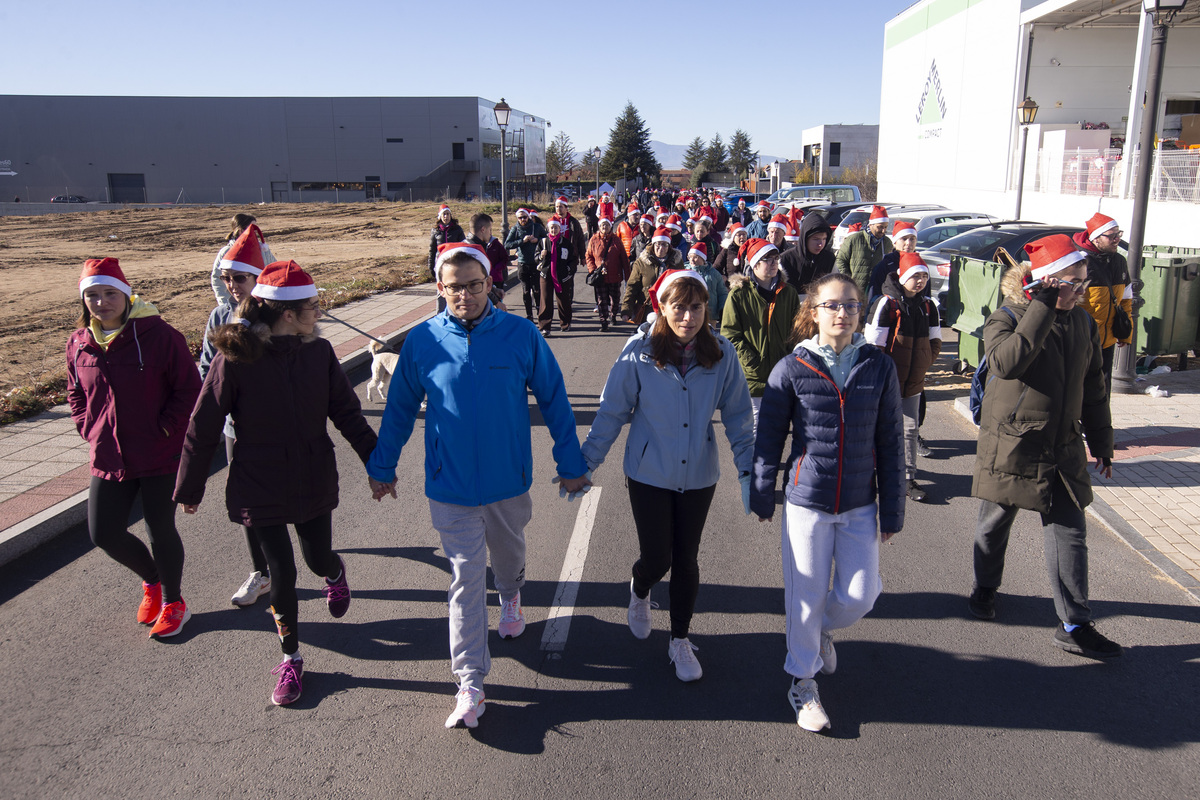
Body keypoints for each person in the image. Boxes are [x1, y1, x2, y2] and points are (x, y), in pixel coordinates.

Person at [366, 242, 591, 729]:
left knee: (507, 557)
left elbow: (554, 400)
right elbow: (400, 409)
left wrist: (570, 461)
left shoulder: (520, 334)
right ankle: (469, 682)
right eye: (453, 287)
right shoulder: (423, 341)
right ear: (440, 289)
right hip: (450, 486)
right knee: (465, 578)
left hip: (508, 480)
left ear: (490, 284)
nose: (464, 295)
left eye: (474, 285)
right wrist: (382, 466)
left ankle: (511, 593)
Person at [176, 260, 377, 705]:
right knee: (280, 571)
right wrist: (190, 487)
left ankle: (334, 572)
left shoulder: (319, 354)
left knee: (316, 556)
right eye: (313, 306)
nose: (319, 313)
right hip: (257, 477)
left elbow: (346, 413)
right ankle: (292, 658)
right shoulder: (236, 360)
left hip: (312, 471)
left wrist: (377, 465)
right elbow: (203, 423)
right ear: (287, 313)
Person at [581, 269, 754, 681]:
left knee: (686, 558)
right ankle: (640, 590)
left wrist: (749, 473)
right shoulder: (639, 351)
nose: (688, 316)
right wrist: (584, 464)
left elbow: (739, 418)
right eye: (679, 306)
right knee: (657, 556)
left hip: (699, 474)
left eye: (696, 307)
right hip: (648, 473)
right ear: (661, 306)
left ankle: (679, 640)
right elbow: (612, 411)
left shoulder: (721, 352)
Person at [752, 271, 905, 732]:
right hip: (807, 502)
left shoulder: (878, 366)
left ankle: (818, 634)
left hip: (860, 502)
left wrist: (893, 510)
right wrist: (762, 493)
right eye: (833, 305)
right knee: (806, 596)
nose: (843, 313)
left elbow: (891, 442)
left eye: (852, 305)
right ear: (813, 312)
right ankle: (802, 682)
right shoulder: (792, 369)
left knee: (862, 594)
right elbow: (770, 439)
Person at [968, 234, 1120, 659]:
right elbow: (1007, 362)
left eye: (1083, 282)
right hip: (1015, 442)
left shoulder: (1083, 322)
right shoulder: (1006, 317)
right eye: (1072, 282)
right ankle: (985, 586)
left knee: (1071, 530)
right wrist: (1042, 308)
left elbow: (1094, 384)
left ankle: (1074, 623)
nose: (1081, 291)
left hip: (1062, 445)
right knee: (994, 524)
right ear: (1047, 282)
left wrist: (1102, 440)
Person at [66, 258, 202, 639]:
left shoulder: (160, 337)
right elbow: (75, 392)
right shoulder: (79, 343)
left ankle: (175, 603)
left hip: (159, 452)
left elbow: (189, 389)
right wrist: (89, 428)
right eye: (92, 295)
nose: (101, 302)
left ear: (127, 295)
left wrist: (166, 426)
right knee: (103, 532)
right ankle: (153, 581)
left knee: (160, 528)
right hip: (108, 454)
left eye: (110, 293)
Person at [201, 226, 273, 607]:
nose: (232, 285)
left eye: (239, 278)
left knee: (285, 498)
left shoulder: (276, 317)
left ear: (258, 278)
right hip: (235, 428)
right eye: (227, 278)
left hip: (275, 426)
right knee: (246, 499)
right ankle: (261, 572)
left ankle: (319, 560)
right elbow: (205, 370)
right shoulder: (219, 317)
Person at [864, 252, 941, 502]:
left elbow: (935, 340)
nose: (919, 281)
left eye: (923, 276)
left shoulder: (929, 306)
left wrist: (924, 363)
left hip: (914, 382)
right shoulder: (886, 304)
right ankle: (870, 473)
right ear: (903, 276)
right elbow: (873, 346)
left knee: (910, 429)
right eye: (915, 276)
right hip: (887, 383)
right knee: (879, 428)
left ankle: (907, 479)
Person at [721, 238, 801, 429]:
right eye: (768, 259)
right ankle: (754, 460)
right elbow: (730, 334)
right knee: (755, 427)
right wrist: (751, 361)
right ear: (755, 264)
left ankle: (767, 460)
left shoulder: (788, 293)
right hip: (753, 375)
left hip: (782, 372)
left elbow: (798, 331)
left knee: (776, 427)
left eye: (776, 258)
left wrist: (790, 358)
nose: (774, 263)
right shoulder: (739, 294)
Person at [1074, 212, 1131, 397]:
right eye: (1112, 236)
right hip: (1081, 340)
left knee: (1102, 388)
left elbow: (1126, 300)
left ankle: (1100, 425)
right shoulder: (1080, 261)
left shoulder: (1120, 262)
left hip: (1107, 341)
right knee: (1079, 387)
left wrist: (1125, 333)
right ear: (1096, 238)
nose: (1117, 239)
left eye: (1118, 234)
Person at [622, 227, 686, 324]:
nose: (661, 248)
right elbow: (632, 287)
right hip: (647, 310)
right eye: (658, 244)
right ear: (653, 244)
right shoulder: (642, 262)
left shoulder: (677, 263)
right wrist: (626, 310)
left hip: (669, 309)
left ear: (669, 246)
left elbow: (682, 287)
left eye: (664, 245)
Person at [211, 213, 275, 305]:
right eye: (252, 228)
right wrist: (225, 304)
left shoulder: (263, 250)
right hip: (237, 304)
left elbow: (274, 272)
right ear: (241, 231)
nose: (255, 232)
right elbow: (218, 281)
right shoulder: (226, 253)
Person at [836, 205, 893, 296]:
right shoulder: (854, 239)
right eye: (880, 227)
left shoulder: (887, 243)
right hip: (855, 289)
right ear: (871, 225)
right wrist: (849, 280)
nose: (883, 231)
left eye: (885, 227)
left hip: (876, 289)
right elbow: (840, 260)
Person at [587, 216, 631, 332]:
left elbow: (624, 259)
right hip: (600, 277)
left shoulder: (616, 240)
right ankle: (604, 321)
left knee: (615, 298)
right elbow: (589, 256)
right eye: (602, 225)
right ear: (599, 227)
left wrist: (628, 276)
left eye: (607, 225)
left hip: (615, 275)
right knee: (601, 300)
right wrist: (592, 270)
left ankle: (613, 315)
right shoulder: (594, 240)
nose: (604, 227)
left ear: (610, 226)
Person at [503, 207, 546, 321]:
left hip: (535, 262)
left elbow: (546, 238)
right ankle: (529, 315)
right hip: (523, 263)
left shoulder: (536, 227)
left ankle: (539, 312)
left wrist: (537, 240)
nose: (523, 219)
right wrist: (522, 241)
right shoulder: (515, 229)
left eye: (525, 217)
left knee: (537, 290)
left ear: (529, 217)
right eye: (520, 218)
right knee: (526, 290)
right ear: (517, 218)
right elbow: (507, 244)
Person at [537, 219, 577, 335]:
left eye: (556, 227)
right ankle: (545, 326)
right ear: (548, 229)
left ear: (560, 229)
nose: (554, 230)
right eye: (552, 228)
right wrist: (541, 256)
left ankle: (565, 323)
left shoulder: (565, 243)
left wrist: (568, 270)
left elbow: (573, 259)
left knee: (564, 300)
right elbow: (535, 258)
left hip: (562, 277)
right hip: (546, 275)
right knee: (545, 300)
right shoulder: (543, 242)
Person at [780, 213, 834, 297]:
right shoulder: (786, 259)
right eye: (816, 239)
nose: (820, 244)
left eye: (824, 239)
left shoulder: (829, 259)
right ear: (805, 239)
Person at [465, 212, 509, 310]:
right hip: (473, 304)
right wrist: (497, 302)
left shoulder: (471, 246)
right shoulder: (474, 251)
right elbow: (479, 283)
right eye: (490, 230)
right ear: (483, 229)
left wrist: (493, 289)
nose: (490, 233)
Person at [868, 220, 918, 303]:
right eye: (904, 239)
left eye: (912, 239)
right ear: (895, 242)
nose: (908, 243)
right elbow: (874, 294)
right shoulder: (885, 265)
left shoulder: (919, 266)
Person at [686, 243, 729, 323]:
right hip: (691, 314)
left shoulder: (714, 274)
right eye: (690, 257)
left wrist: (722, 308)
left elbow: (722, 293)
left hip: (711, 315)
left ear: (702, 258)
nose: (692, 260)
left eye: (695, 257)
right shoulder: (685, 272)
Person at [427, 204, 465, 282]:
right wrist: (431, 266)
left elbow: (463, 246)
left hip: (453, 262)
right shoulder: (435, 230)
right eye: (444, 214)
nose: (446, 216)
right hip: (440, 261)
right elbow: (432, 249)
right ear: (440, 216)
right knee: (441, 285)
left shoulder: (457, 229)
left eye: (448, 214)